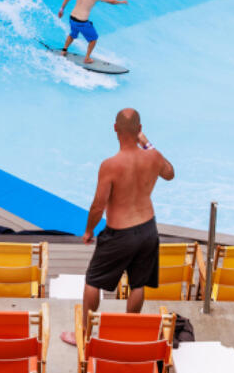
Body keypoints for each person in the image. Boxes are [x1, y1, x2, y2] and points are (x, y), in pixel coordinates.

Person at [59, 108, 174, 346]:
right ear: (140, 130)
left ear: (115, 129)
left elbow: (98, 205)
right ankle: (129, 332)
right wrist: (148, 144)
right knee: (138, 283)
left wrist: (89, 231)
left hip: (120, 233)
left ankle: (83, 335)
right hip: (148, 229)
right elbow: (170, 174)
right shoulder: (152, 156)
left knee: (93, 281)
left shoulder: (110, 165)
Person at [58, 0, 127, 65]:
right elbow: (111, 1)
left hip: (72, 18)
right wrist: (121, 2)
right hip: (81, 22)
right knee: (93, 39)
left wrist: (61, 10)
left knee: (72, 34)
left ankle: (64, 50)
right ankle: (87, 58)